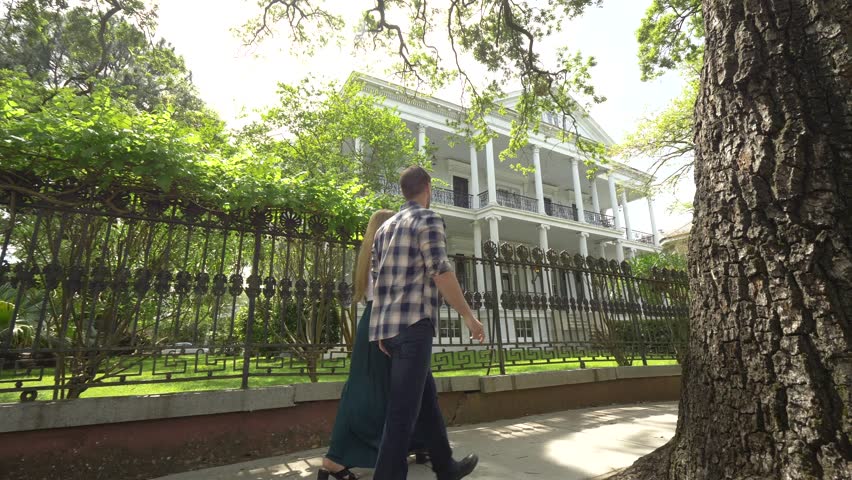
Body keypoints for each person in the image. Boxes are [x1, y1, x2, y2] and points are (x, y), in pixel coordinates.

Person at [370, 166, 486, 480]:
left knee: (425, 399)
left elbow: (376, 282)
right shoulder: (427, 219)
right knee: (401, 415)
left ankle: (446, 467)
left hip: (391, 330)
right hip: (414, 327)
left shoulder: (384, 229)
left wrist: (381, 330)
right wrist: (469, 317)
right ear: (428, 188)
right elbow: (441, 271)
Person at [318, 209, 429, 480]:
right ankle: (335, 457)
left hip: (375, 318)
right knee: (375, 390)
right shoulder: (387, 252)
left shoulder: (368, 254)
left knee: (390, 387)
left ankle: (415, 442)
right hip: (386, 321)